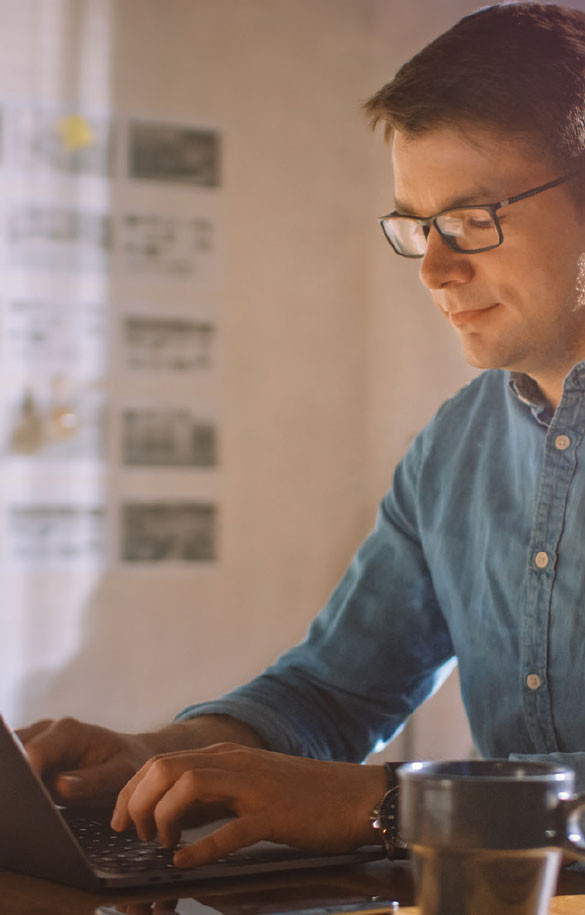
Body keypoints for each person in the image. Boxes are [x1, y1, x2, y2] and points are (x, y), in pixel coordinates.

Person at [18, 0, 585, 868]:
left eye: (473, 219)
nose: (434, 268)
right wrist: (162, 756)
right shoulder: (452, 449)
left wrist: (387, 805)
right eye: (416, 226)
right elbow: (332, 689)